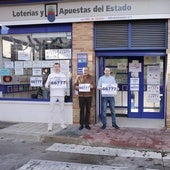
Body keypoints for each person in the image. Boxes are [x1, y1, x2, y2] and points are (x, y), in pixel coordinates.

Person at [45, 63, 67, 131]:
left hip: (61, 94)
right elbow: (46, 85)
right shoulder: (51, 75)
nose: (56, 68)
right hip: (53, 94)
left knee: (62, 109)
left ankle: (62, 124)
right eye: (55, 67)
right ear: (53, 68)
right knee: (51, 110)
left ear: (60, 67)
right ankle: (50, 126)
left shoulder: (63, 75)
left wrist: (66, 83)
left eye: (58, 67)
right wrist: (48, 85)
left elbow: (65, 85)